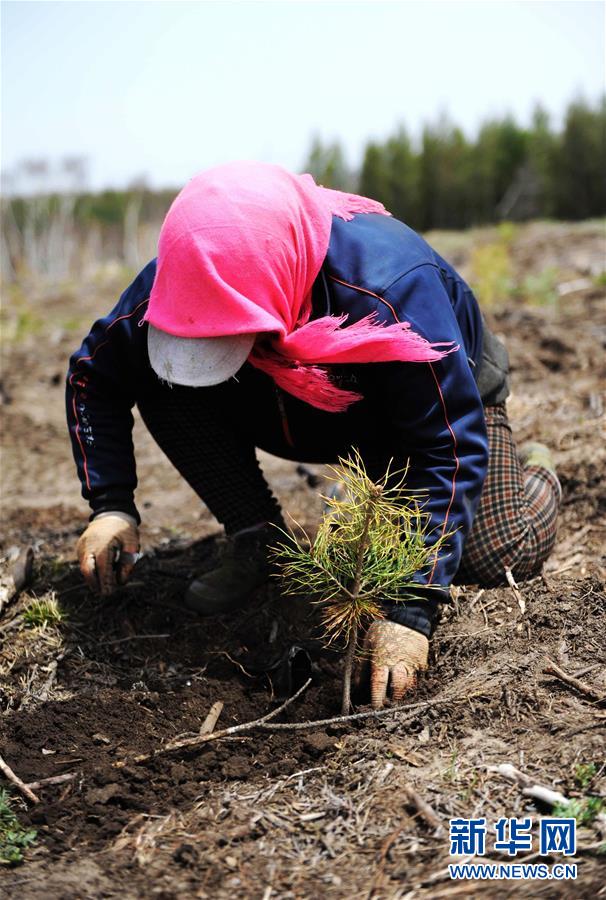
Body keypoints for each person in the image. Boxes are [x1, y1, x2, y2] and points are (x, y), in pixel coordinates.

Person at [66, 162, 561, 708]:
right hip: (292, 405)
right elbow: (94, 373)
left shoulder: (390, 289)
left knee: (494, 556)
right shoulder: (187, 277)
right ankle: (258, 537)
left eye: (229, 340)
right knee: (166, 383)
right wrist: (111, 504)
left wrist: (412, 607)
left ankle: (529, 468)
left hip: (424, 413)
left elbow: (446, 444)